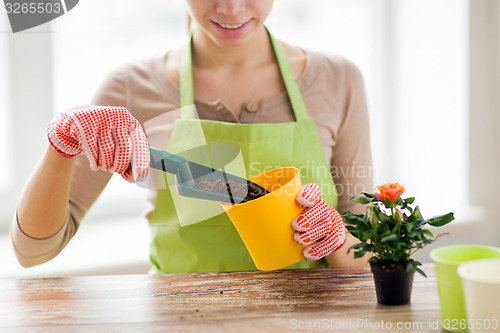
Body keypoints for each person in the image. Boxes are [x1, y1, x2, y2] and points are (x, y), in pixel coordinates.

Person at [12, 0, 373, 273]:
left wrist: (336, 238)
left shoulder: (338, 80)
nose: (231, 9)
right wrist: (62, 144)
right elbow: (32, 253)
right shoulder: (130, 88)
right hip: (179, 321)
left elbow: (369, 256)